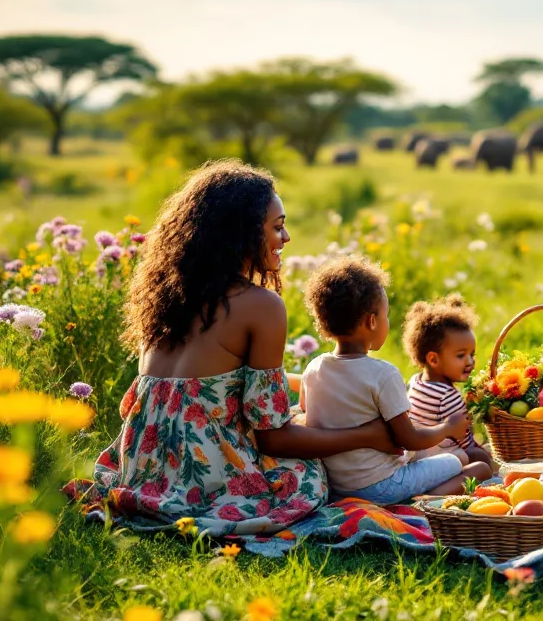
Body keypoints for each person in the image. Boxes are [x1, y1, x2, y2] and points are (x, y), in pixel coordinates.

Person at [63, 160, 403, 537]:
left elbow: (207, 386)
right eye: (277, 227)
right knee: (306, 476)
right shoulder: (260, 305)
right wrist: (368, 434)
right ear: (241, 232)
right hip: (205, 476)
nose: (287, 237)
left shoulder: (166, 298)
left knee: (299, 418)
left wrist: (323, 380)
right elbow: (274, 437)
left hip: (144, 467)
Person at [299, 256, 490, 505]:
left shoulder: (314, 367)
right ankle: (423, 503)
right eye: (386, 315)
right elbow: (409, 440)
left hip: (339, 484)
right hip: (384, 486)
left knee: (428, 458)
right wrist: (448, 427)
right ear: (372, 321)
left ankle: (419, 492)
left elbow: (305, 408)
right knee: (472, 464)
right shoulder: (383, 374)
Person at [401, 295, 493, 473]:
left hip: (416, 456)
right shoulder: (448, 396)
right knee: (481, 458)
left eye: (472, 354)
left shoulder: (415, 381)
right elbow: (465, 442)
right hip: (438, 459)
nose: (470, 362)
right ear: (433, 359)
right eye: (461, 355)